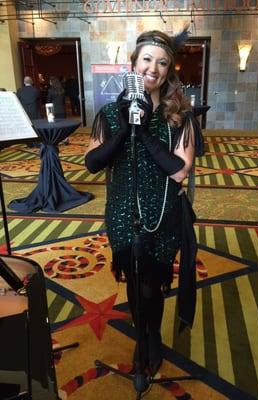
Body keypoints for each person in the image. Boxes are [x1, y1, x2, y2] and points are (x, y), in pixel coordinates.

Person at [85, 29, 203, 377]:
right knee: (135, 283)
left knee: (153, 282)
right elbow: (92, 163)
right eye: (147, 59)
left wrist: (144, 133)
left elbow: (180, 172)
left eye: (162, 62)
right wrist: (123, 130)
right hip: (122, 213)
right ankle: (144, 334)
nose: (154, 67)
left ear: (168, 71)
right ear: (133, 64)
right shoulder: (109, 113)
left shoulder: (180, 115)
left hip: (162, 214)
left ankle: (152, 335)